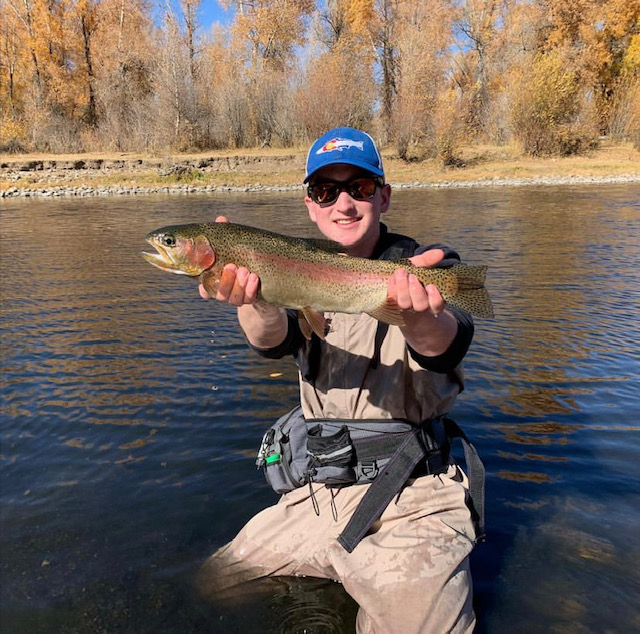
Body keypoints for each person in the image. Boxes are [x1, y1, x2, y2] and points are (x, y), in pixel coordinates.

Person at [197, 127, 482, 633]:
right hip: (320, 487)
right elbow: (274, 341)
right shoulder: (294, 269)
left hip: (416, 495)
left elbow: (446, 342)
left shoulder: (426, 264)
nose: (344, 203)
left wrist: (416, 316)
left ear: (384, 196)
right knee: (214, 584)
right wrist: (255, 301)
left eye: (361, 188)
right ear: (310, 204)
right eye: (326, 191)